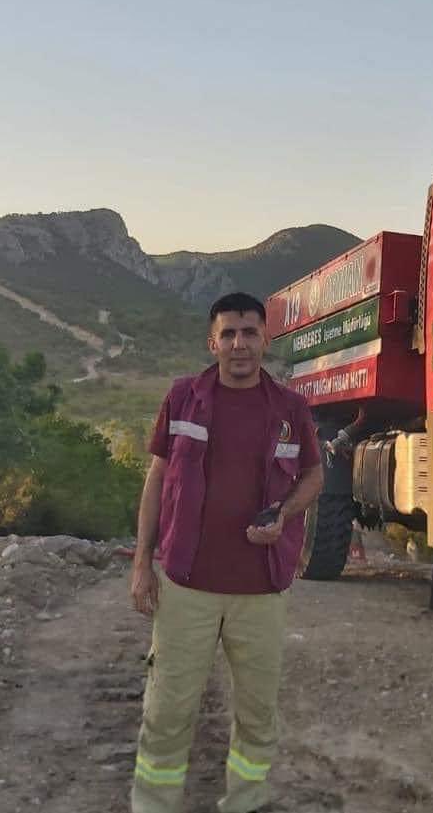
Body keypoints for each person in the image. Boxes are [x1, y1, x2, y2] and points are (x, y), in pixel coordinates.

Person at [129, 291, 323, 813]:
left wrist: (282, 515)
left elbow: (313, 475)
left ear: (266, 338)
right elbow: (158, 478)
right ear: (212, 342)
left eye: (250, 333)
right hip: (187, 584)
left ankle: (246, 801)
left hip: (260, 588)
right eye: (229, 334)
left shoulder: (290, 409)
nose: (240, 344)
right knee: (168, 709)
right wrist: (142, 561)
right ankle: (153, 805)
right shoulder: (183, 397)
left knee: (258, 713)